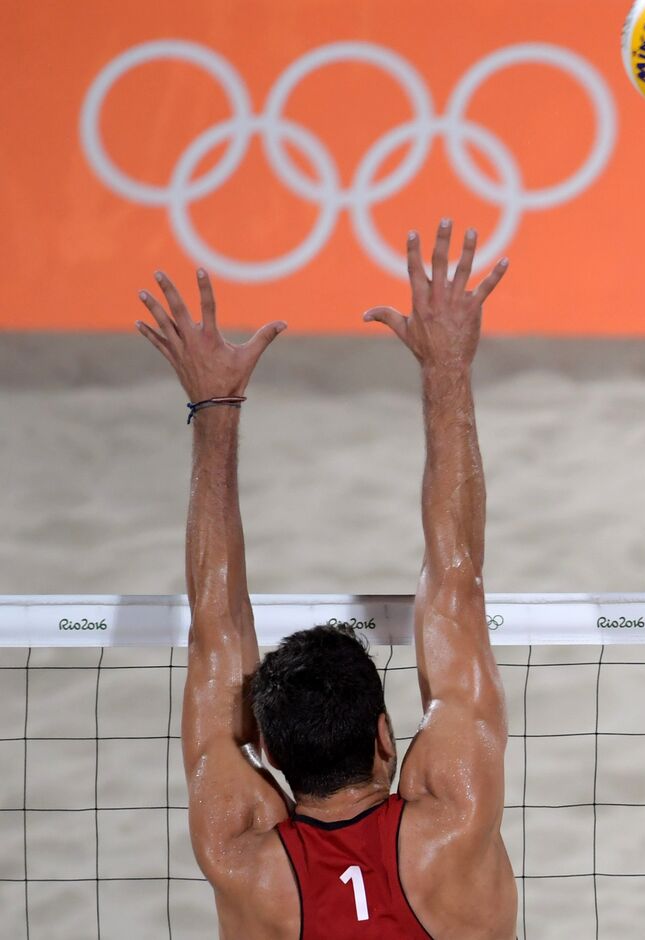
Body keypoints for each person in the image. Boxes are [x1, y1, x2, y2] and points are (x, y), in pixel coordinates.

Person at [135, 220, 516, 939]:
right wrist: (446, 371)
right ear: (384, 735)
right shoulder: (453, 823)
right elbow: (456, 582)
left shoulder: (243, 857)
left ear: (270, 752)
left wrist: (214, 408)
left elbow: (217, 632)